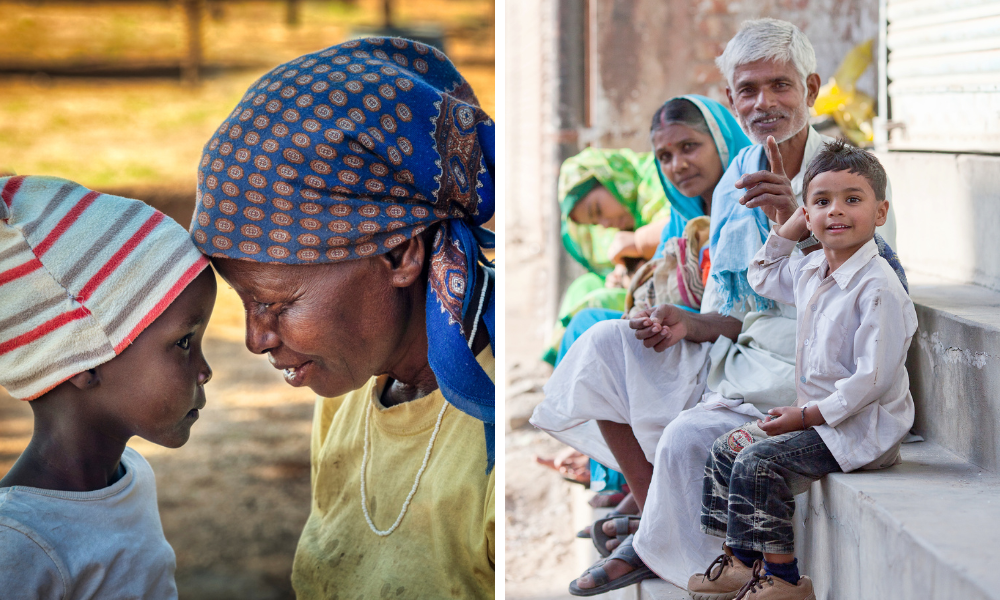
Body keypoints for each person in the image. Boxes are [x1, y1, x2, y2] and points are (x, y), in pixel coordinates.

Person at [530, 18, 905, 595]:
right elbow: (738, 307)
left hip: (807, 367)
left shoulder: (848, 175)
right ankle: (656, 520)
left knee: (687, 433)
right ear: (731, 100)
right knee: (601, 345)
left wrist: (800, 227)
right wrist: (686, 322)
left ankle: (652, 540)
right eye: (748, 90)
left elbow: (870, 287)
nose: (765, 103)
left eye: (780, 86)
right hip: (742, 352)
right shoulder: (736, 174)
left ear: (809, 88)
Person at [187, 38, 495, 598]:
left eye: (276, 303)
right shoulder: (349, 397)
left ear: (401, 255)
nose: (257, 341)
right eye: (244, 301)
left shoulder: (502, 440)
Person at [688, 140, 915, 600]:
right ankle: (740, 559)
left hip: (859, 429)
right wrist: (792, 225)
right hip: (816, 420)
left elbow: (871, 381)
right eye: (822, 202)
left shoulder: (879, 288)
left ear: (880, 212)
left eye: (853, 199)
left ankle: (787, 578)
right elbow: (761, 275)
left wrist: (805, 417)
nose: (836, 212)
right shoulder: (813, 270)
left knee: (758, 462)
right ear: (808, 216)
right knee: (727, 448)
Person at [0, 175, 215, 598]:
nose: (205, 370)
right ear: (83, 360)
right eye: (184, 343)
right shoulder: (17, 545)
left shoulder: (130, 476)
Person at [543, 147, 671, 364]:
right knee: (583, 286)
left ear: (609, 178)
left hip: (668, 296)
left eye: (598, 210)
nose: (605, 224)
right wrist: (621, 272)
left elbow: (684, 231)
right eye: (595, 223)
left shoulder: (659, 178)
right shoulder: (632, 211)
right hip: (642, 288)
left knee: (594, 304)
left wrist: (637, 242)